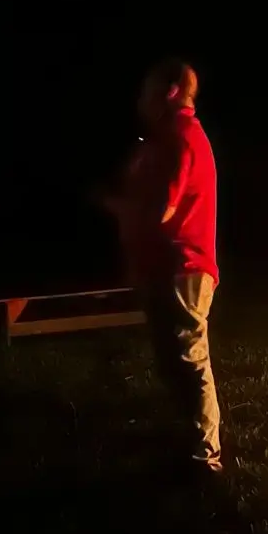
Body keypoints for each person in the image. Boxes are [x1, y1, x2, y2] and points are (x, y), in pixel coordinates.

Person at [105, 59, 222, 473]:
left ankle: (205, 456)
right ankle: (185, 439)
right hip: (163, 268)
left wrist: (117, 206)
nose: (140, 100)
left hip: (183, 267)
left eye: (147, 90)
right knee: (173, 361)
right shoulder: (164, 139)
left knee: (190, 360)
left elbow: (161, 208)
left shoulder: (181, 137)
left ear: (170, 91)